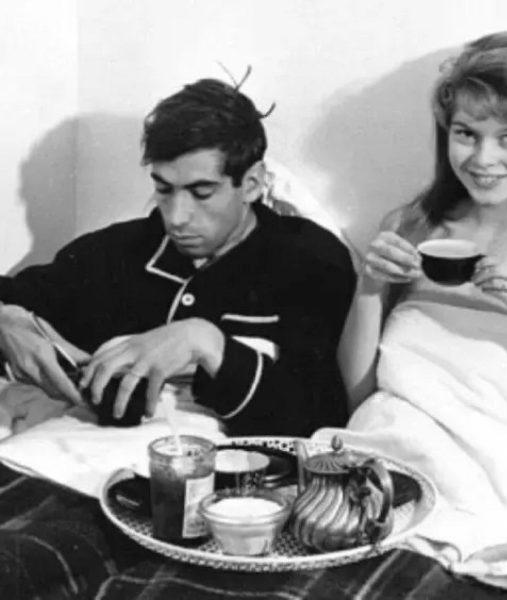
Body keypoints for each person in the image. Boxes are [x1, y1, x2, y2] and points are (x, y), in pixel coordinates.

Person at [0, 78, 356, 437]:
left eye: (201, 192)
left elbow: (324, 419)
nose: (176, 217)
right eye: (163, 189)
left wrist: (205, 342)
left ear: (251, 184)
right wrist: (7, 324)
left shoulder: (310, 260)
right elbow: (13, 295)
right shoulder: (118, 251)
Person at [338, 31, 507, 488]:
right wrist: (369, 288)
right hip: (384, 465)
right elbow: (359, 400)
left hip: (493, 483)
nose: (483, 158)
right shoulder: (411, 228)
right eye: (466, 134)